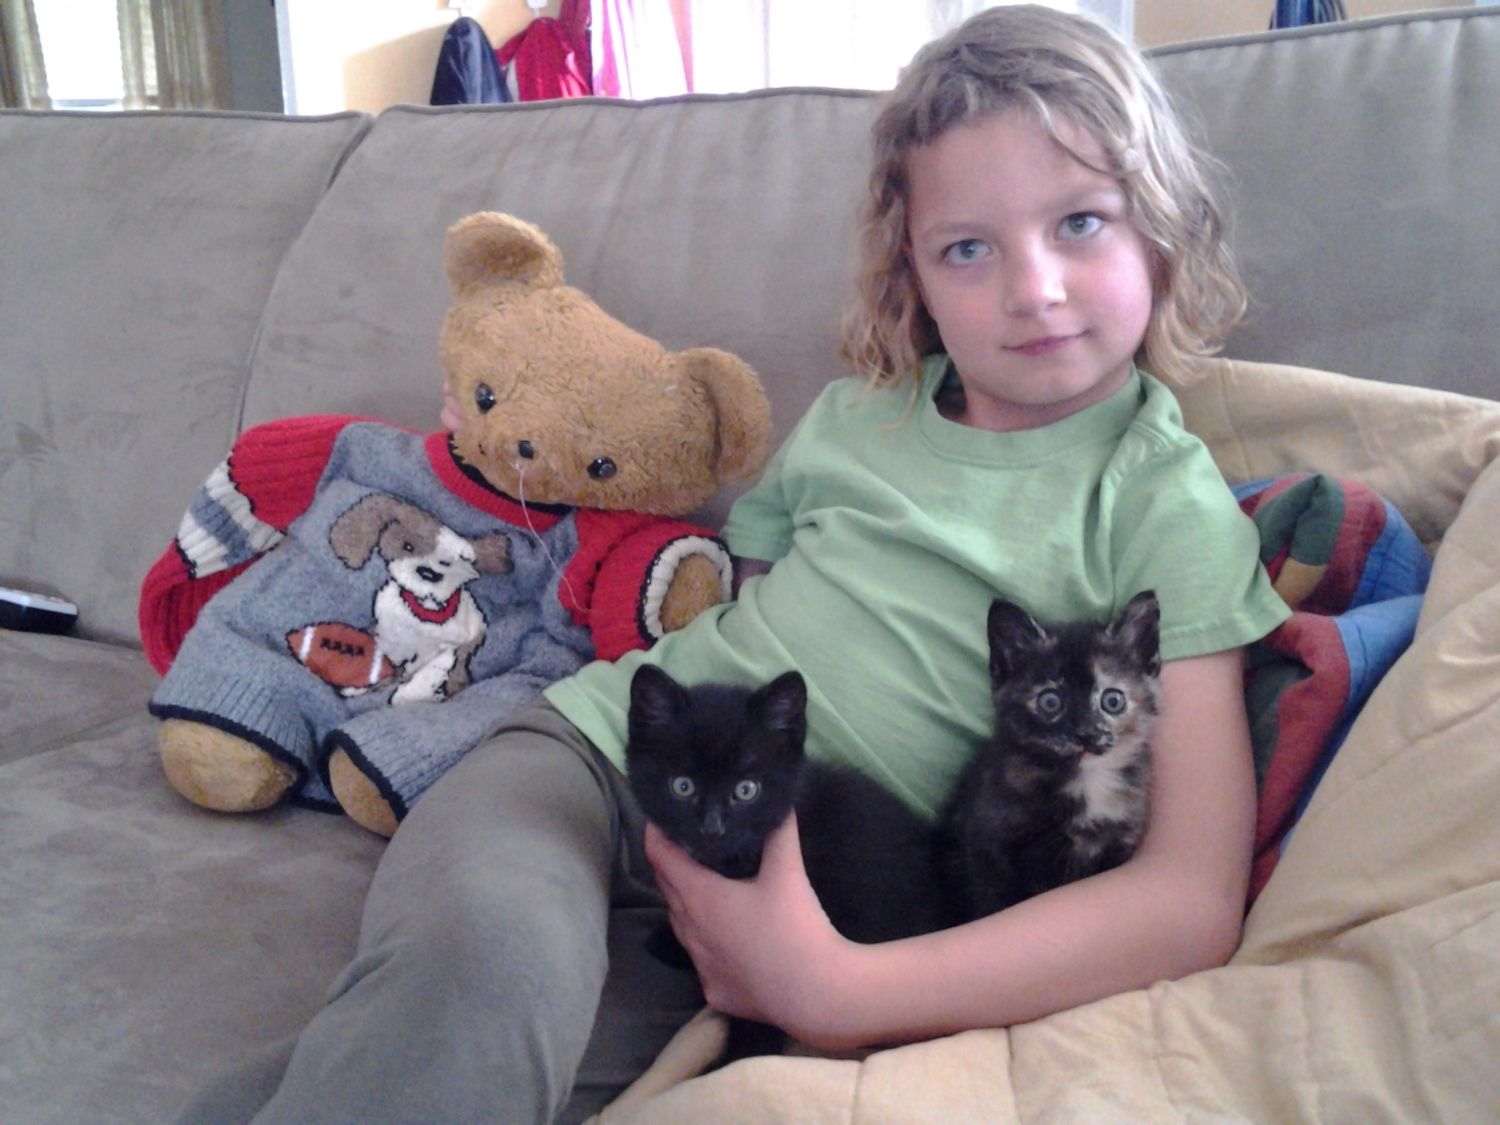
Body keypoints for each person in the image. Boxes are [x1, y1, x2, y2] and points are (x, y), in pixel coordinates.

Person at [176, 6, 1289, 1122]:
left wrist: (835, 987)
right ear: (911, 271)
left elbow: (1190, 899)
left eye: (1081, 222)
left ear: (1161, 227)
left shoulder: (1166, 505)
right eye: (968, 248)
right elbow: (748, 582)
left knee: (436, 1067)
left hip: (828, 896)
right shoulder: (860, 415)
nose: (1032, 288)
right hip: (592, 769)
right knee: (479, 979)